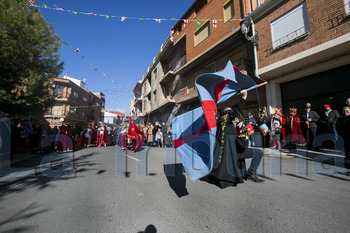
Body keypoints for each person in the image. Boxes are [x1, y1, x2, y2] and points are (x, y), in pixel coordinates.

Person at [209, 89, 264, 189]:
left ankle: (246, 172)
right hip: (235, 153)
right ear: (228, 113)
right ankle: (251, 173)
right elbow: (237, 110)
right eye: (231, 112)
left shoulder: (220, 124)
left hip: (232, 153)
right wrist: (244, 97)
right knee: (259, 152)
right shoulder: (227, 119)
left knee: (253, 151)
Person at [336, 106, 350, 176]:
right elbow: (337, 127)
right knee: (346, 153)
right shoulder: (340, 119)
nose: (346, 112)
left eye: (347, 111)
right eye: (345, 111)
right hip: (344, 137)